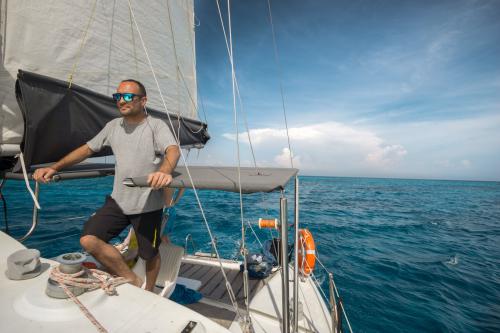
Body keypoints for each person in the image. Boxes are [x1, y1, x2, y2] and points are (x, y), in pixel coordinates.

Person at [33, 79, 180, 291]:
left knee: (150, 253)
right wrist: (55, 167)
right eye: (118, 96)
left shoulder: (156, 125)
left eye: (128, 96)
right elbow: (86, 149)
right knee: (88, 240)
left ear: (143, 100)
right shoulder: (112, 127)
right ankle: (132, 279)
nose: (122, 100)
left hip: (148, 203)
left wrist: (164, 172)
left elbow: (173, 150)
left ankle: (148, 293)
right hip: (119, 200)